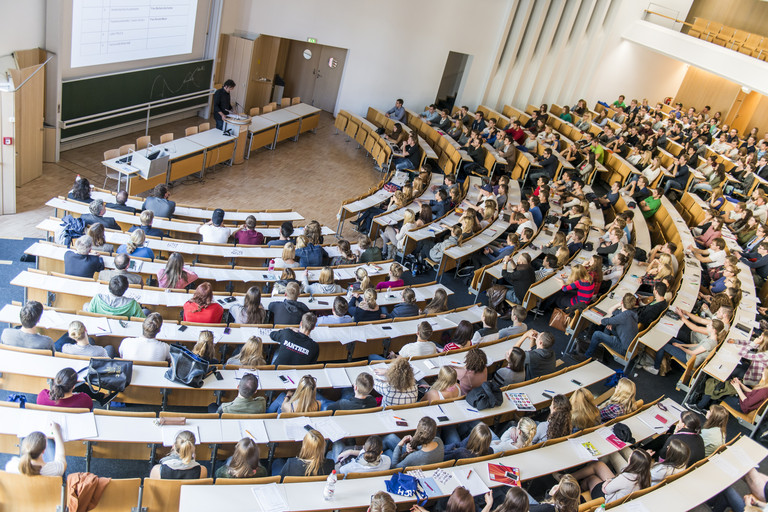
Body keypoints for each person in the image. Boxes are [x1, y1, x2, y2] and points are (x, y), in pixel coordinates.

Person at [567, 449, 651, 503]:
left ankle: (574, 487)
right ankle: (571, 479)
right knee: (599, 465)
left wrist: (607, 482)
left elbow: (606, 490)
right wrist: (610, 481)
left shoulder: (626, 477)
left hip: (606, 499)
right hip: (617, 492)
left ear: (633, 463)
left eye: (629, 457)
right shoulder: (646, 476)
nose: (628, 458)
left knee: (591, 478)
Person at [583, 294, 638, 358]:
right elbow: (611, 311)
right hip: (627, 345)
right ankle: (601, 348)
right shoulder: (631, 313)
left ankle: (587, 356)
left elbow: (604, 321)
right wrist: (620, 304)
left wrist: (619, 304)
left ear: (622, 302)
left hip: (623, 349)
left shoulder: (623, 316)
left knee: (596, 334)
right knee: (608, 327)